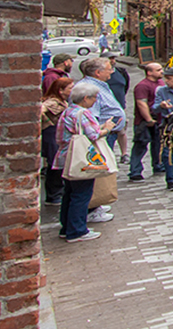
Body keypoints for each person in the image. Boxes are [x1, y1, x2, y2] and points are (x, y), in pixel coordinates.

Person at [53, 81, 115, 242]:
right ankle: (77, 230)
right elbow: (93, 135)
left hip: (66, 156)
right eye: (94, 98)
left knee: (69, 193)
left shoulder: (68, 111)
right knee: (81, 195)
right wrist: (107, 128)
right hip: (80, 159)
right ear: (86, 98)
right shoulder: (83, 113)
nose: (95, 101)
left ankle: (66, 228)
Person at [78, 57, 125, 152]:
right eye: (109, 69)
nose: (112, 72)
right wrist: (104, 129)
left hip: (107, 133)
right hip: (100, 136)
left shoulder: (100, 84)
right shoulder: (90, 88)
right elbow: (90, 117)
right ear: (98, 73)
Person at [128, 62, 164, 182]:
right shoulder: (142, 86)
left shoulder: (160, 83)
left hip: (158, 119)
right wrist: (148, 119)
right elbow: (141, 103)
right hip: (143, 121)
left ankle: (158, 166)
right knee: (141, 145)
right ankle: (135, 171)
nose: (161, 72)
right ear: (149, 72)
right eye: (158, 70)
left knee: (157, 145)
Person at [41, 77, 73, 205]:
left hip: (55, 133)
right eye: (70, 88)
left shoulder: (62, 101)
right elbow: (40, 110)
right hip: (51, 134)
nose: (72, 90)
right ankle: (54, 195)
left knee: (56, 163)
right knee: (54, 164)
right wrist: (48, 123)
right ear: (60, 90)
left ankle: (56, 193)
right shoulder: (53, 102)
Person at [101, 51, 130, 162]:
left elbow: (125, 86)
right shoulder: (101, 74)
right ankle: (108, 153)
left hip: (120, 105)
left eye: (113, 58)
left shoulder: (121, 72)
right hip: (106, 107)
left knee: (121, 131)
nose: (112, 61)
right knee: (107, 131)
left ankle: (124, 154)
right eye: (110, 59)